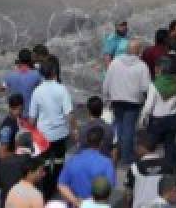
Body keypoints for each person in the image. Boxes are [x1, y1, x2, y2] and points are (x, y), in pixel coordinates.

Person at [29, 60, 75, 197]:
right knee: (60, 161)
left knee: (46, 164)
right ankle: (56, 185)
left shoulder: (37, 91)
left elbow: (32, 117)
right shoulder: (62, 89)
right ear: (54, 72)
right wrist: (74, 130)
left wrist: (30, 131)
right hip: (60, 133)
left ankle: (47, 191)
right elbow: (69, 114)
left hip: (44, 135)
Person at [105, 39, 151, 166]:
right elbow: (145, 88)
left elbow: (107, 82)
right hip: (133, 102)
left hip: (117, 100)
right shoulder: (142, 66)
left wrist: (107, 97)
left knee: (119, 127)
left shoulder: (115, 63)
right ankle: (127, 157)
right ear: (138, 51)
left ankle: (118, 153)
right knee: (129, 129)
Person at [138, 56, 176, 172]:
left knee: (148, 146)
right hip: (172, 118)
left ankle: (148, 168)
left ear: (160, 69)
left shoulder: (155, 85)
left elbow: (148, 107)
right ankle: (170, 169)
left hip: (157, 120)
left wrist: (142, 120)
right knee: (170, 146)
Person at [57, 126, 115, 205]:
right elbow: (109, 187)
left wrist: (77, 202)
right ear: (101, 142)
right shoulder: (106, 163)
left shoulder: (72, 160)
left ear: (87, 140)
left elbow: (61, 185)